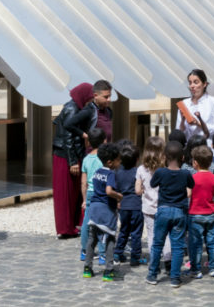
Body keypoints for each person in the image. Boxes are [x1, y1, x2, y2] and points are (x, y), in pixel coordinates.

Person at [52, 81, 112, 236]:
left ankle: (74, 225)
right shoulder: (72, 108)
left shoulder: (80, 107)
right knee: (66, 193)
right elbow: (68, 135)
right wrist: (72, 161)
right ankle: (65, 229)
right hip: (64, 155)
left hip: (72, 154)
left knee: (73, 192)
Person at [145, 140, 194, 288]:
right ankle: (175, 278)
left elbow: (152, 184)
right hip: (179, 212)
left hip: (163, 211)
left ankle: (152, 275)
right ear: (183, 158)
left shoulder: (160, 172)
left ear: (165, 156)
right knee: (178, 246)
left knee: (157, 243)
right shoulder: (185, 173)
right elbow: (191, 185)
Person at [81, 142, 123, 282]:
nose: (120, 162)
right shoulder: (110, 174)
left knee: (92, 239)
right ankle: (108, 270)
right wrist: (119, 196)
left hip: (94, 208)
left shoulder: (97, 172)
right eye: (118, 159)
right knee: (110, 239)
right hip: (106, 210)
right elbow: (108, 191)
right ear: (110, 162)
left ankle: (87, 268)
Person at [187, 145, 214, 279]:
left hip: (195, 213)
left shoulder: (193, 178)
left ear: (195, 162)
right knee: (212, 241)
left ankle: (196, 270)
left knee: (195, 243)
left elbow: (188, 194)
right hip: (211, 213)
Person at [135, 136, 166, 269]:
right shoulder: (165, 168)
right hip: (164, 206)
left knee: (152, 235)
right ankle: (168, 258)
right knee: (166, 234)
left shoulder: (141, 169)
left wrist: (143, 189)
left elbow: (137, 190)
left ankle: (154, 261)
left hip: (148, 207)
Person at [77, 127, 106, 263]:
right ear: (104, 141)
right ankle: (102, 253)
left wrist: (84, 199)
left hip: (89, 194)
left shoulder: (86, 159)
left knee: (86, 223)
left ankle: (84, 250)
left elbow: (84, 182)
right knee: (102, 222)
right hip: (102, 193)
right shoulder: (105, 159)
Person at [113, 141, 144, 265]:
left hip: (124, 206)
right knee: (136, 233)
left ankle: (118, 252)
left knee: (124, 230)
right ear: (137, 159)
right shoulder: (137, 172)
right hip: (136, 205)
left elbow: (116, 189)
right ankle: (135, 257)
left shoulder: (117, 172)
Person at [176, 68, 214, 146]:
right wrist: (182, 121)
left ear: (204, 84)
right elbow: (179, 133)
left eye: (196, 82)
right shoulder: (184, 104)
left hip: (208, 149)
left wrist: (198, 124)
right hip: (189, 148)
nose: (192, 86)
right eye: (190, 83)